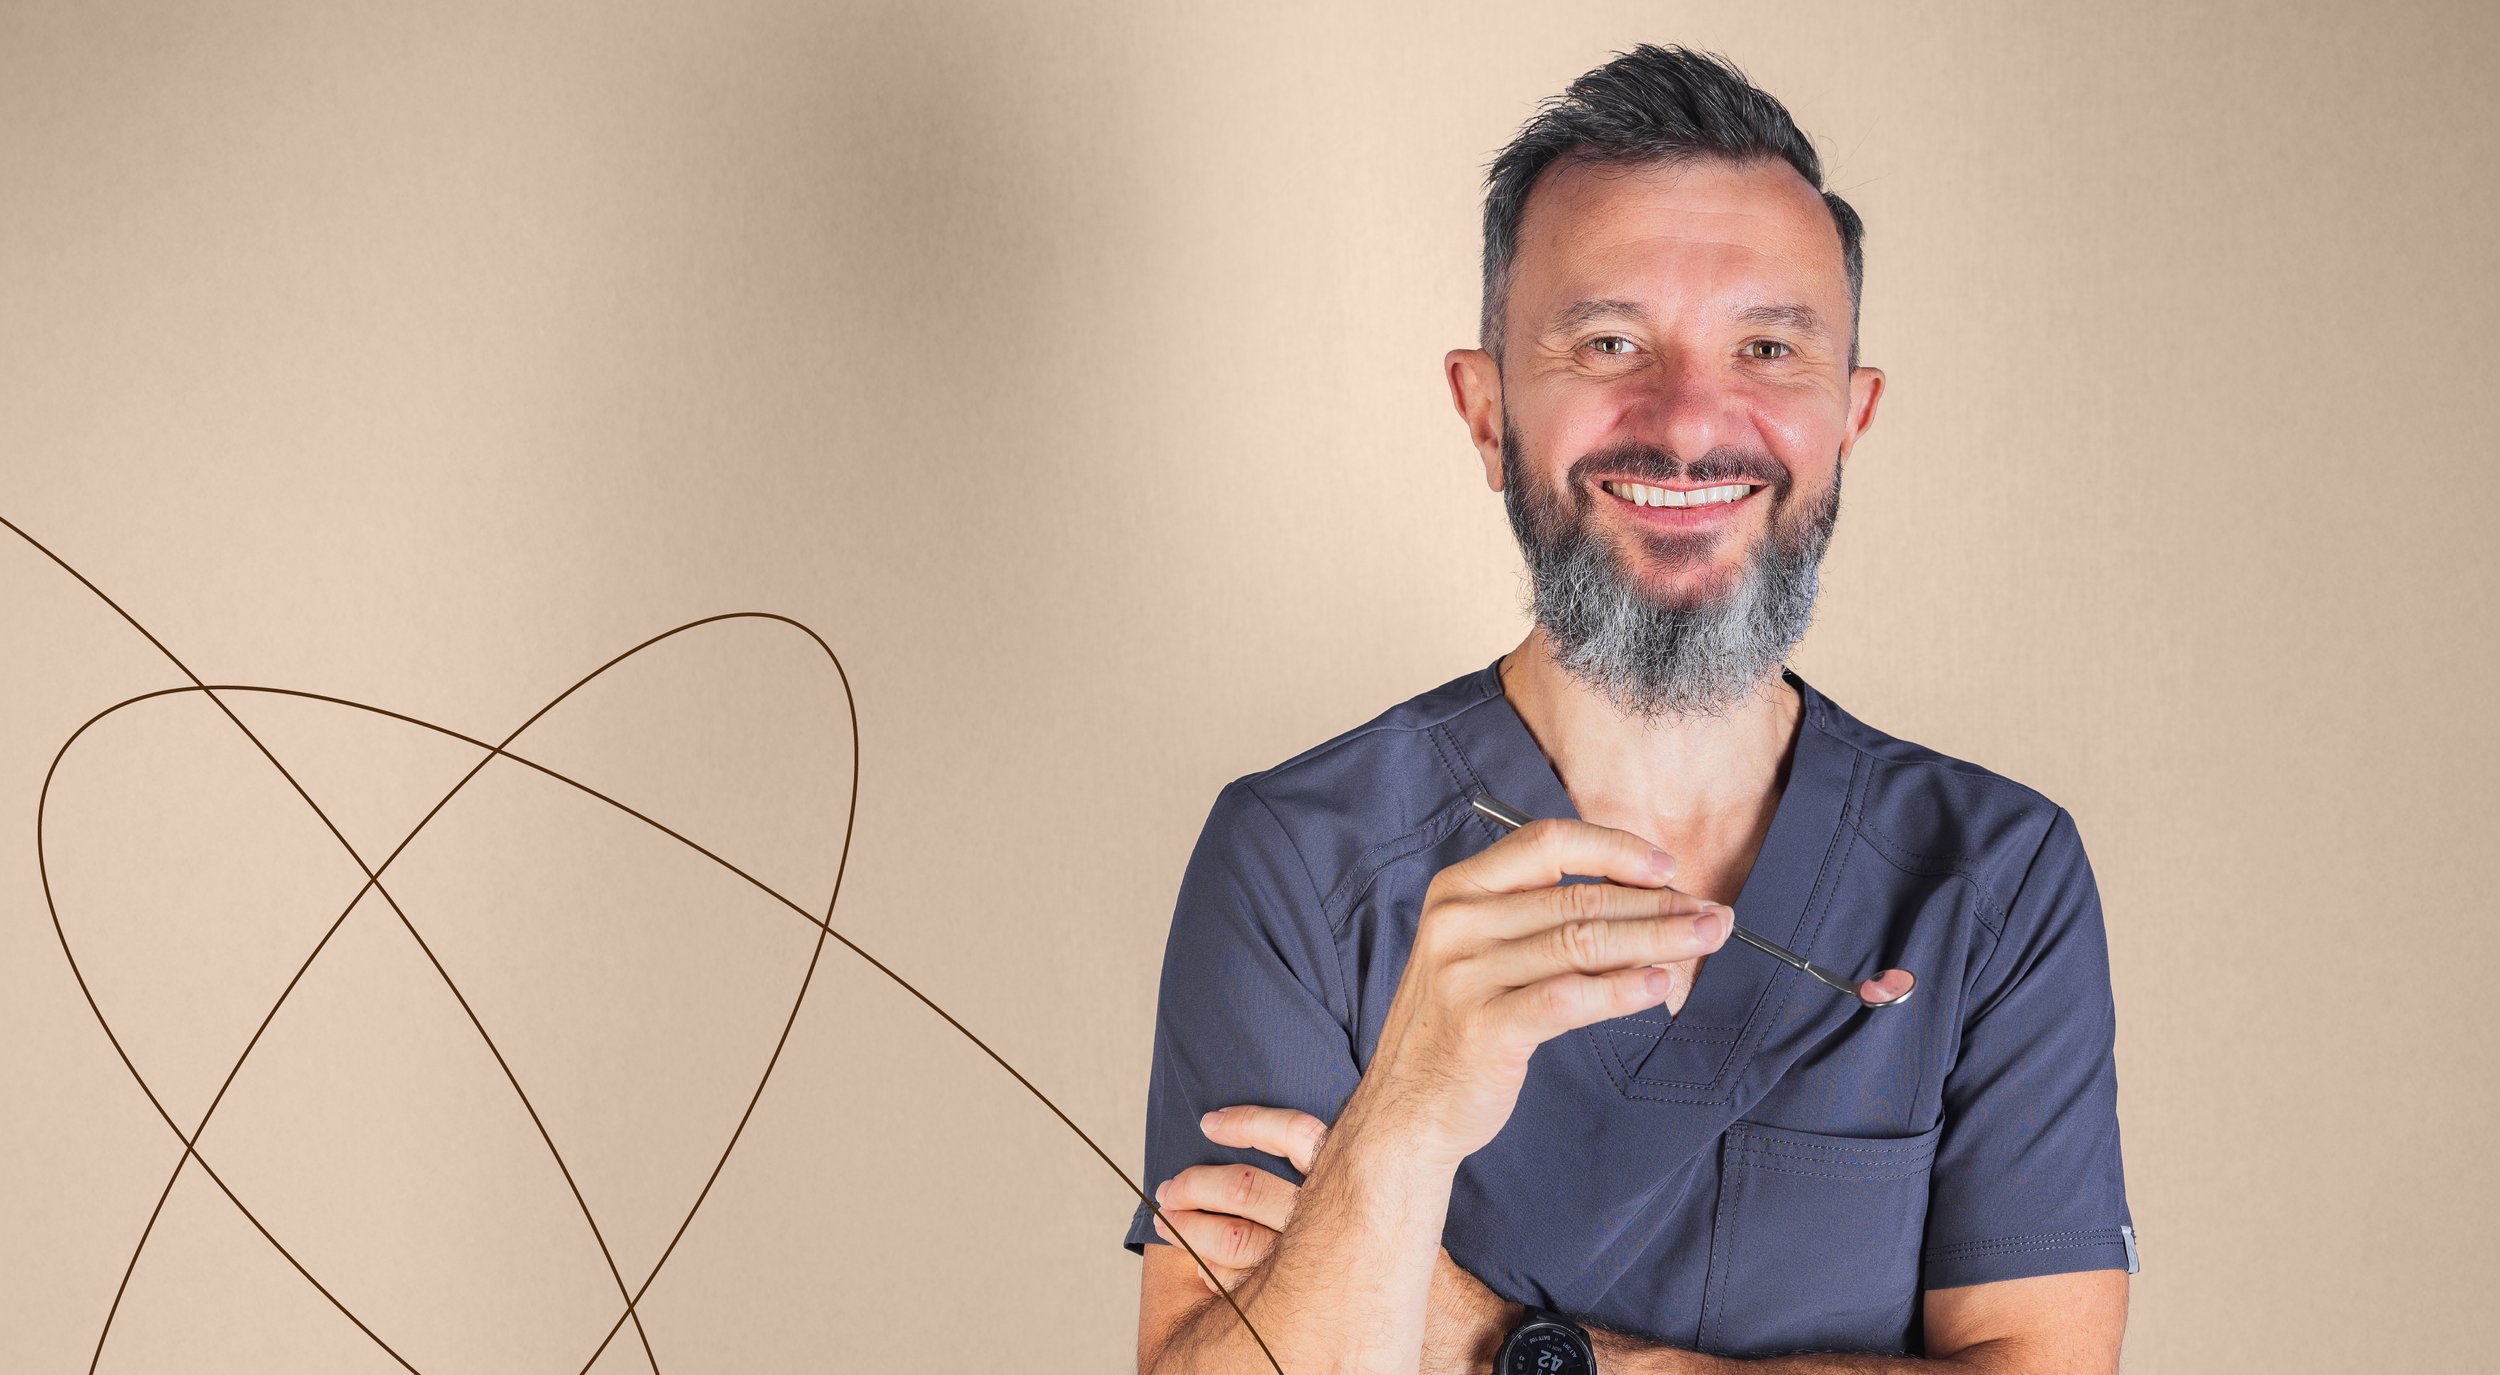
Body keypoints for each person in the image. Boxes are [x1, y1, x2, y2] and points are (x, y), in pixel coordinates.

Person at [1126, 44, 2136, 1375]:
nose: (1688, 422)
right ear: (1487, 411)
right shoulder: (1299, 857)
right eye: (1610, 343)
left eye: (1769, 347)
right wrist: (1407, 1121)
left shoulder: (1995, 882)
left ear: (1848, 416)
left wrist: (1511, 1344)